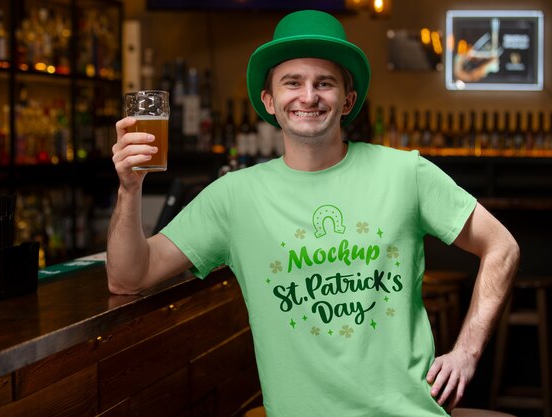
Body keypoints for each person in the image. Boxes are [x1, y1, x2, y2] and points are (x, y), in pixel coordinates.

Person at [107, 10, 519, 417]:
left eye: (324, 83)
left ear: (347, 100)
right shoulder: (234, 197)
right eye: (292, 83)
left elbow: (502, 246)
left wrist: (466, 352)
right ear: (269, 100)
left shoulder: (405, 173)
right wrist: (130, 188)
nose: (308, 96)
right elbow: (129, 276)